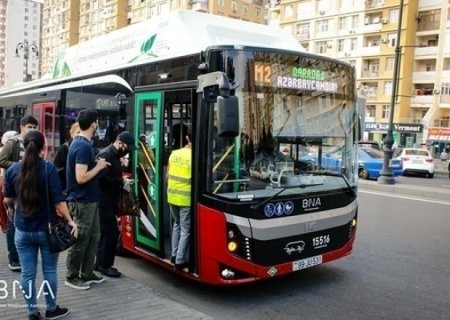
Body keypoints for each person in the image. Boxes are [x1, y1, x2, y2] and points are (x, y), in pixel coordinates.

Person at [3, 129, 78, 320]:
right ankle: (51, 309)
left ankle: (32, 312)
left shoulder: (12, 170)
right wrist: (70, 220)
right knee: (50, 271)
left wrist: (15, 209)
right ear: (43, 147)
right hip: (47, 231)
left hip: (22, 230)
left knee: (27, 275)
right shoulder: (48, 168)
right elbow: (58, 202)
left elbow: (7, 199)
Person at [64, 109, 110, 290]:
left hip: (89, 199)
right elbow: (81, 177)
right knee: (81, 238)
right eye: (97, 121)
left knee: (94, 237)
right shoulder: (82, 146)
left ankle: (87, 272)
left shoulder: (81, 143)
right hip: (82, 201)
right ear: (93, 123)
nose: (97, 124)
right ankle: (72, 275)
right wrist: (99, 166)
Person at [0, 115, 38, 272]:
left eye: (34, 127)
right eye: (29, 127)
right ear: (22, 127)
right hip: (13, 187)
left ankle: (23, 254)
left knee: (25, 221)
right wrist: (20, 166)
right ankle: (13, 257)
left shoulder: (34, 143)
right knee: (12, 222)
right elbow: (2, 160)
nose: (32, 130)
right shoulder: (14, 142)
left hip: (28, 188)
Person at [95, 131, 135, 277]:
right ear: (119, 142)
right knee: (112, 233)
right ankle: (105, 265)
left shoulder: (114, 155)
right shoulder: (107, 155)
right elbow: (101, 179)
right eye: (126, 147)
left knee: (106, 234)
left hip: (108, 200)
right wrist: (121, 181)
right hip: (104, 200)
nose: (127, 150)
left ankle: (99, 263)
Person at [167, 126, 192, 270]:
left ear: (187, 138)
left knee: (176, 225)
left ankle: (173, 255)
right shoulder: (194, 156)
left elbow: (168, 175)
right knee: (185, 230)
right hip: (185, 199)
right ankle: (180, 260)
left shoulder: (174, 154)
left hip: (172, 196)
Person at [53, 122, 80, 193]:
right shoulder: (64, 148)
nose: (80, 136)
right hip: (65, 187)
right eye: (78, 133)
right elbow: (57, 168)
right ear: (72, 134)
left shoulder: (87, 148)